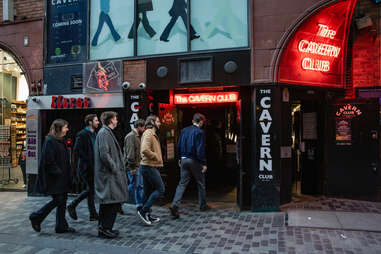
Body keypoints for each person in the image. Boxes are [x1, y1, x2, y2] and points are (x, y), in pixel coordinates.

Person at [29, 119, 76, 234]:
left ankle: (61, 226)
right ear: (59, 128)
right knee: (58, 200)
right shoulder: (50, 141)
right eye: (65, 127)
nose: (67, 129)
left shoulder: (60, 140)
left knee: (62, 201)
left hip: (63, 178)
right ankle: (36, 216)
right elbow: (48, 161)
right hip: (55, 179)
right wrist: (58, 172)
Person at [94, 111, 128, 238]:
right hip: (108, 175)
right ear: (110, 120)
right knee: (111, 203)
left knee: (108, 203)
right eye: (115, 119)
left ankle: (104, 228)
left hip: (110, 174)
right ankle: (105, 228)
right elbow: (104, 153)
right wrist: (114, 168)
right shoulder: (104, 133)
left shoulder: (105, 132)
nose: (117, 121)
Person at [169, 113, 210, 219]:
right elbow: (200, 149)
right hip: (194, 160)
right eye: (202, 122)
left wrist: (179, 158)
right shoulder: (200, 132)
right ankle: (202, 205)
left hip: (183, 159)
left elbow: (178, 145)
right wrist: (203, 163)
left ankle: (175, 204)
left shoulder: (184, 130)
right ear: (200, 122)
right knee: (200, 182)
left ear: (193, 121)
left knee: (182, 183)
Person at [67, 114, 99, 222]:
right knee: (90, 189)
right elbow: (77, 150)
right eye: (96, 120)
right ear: (90, 122)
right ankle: (72, 205)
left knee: (90, 190)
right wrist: (88, 160)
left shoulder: (94, 134)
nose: (98, 122)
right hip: (86, 167)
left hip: (93, 166)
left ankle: (93, 214)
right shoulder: (82, 134)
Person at [137, 115, 165, 225]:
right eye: (158, 121)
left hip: (147, 165)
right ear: (152, 122)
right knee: (160, 189)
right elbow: (144, 150)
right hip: (148, 166)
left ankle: (146, 213)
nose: (160, 123)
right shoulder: (149, 133)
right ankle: (143, 211)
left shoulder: (150, 133)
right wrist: (156, 156)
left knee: (147, 192)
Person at [124, 119, 145, 210]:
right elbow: (130, 154)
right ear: (139, 127)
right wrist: (133, 167)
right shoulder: (130, 136)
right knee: (134, 185)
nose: (144, 129)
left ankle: (139, 204)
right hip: (132, 166)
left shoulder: (137, 136)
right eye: (143, 127)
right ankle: (119, 202)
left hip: (137, 165)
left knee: (139, 185)